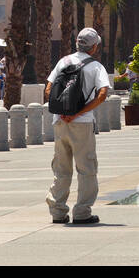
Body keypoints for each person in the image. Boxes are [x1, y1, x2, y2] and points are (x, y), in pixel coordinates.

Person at [44, 27, 111, 226]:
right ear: (94, 47)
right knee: (86, 168)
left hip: (59, 122)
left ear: (77, 43)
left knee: (61, 168)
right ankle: (82, 212)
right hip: (81, 124)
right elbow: (102, 95)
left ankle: (57, 211)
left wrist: (63, 111)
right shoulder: (96, 67)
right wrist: (78, 112)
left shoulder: (63, 61)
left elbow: (49, 88)